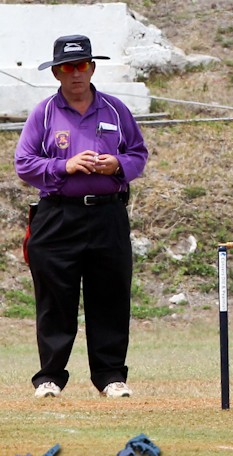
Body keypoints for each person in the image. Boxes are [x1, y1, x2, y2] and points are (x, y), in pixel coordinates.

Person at [15, 35, 149, 399]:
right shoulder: (44, 113)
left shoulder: (115, 110)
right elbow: (24, 163)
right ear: (56, 72)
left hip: (108, 214)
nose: (76, 73)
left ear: (92, 68)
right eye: (67, 67)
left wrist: (117, 163)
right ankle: (50, 377)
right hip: (57, 215)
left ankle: (110, 377)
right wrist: (66, 165)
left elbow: (138, 154)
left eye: (82, 65)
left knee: (110, 295)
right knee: (55, 299)